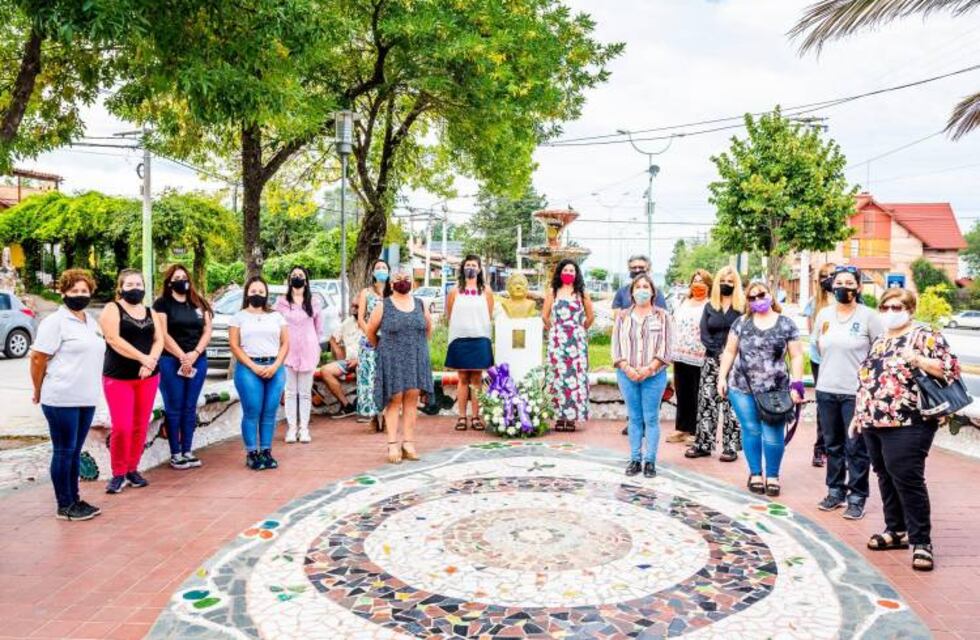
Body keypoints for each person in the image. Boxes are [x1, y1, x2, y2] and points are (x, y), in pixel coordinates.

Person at [851, 288, 959, 572]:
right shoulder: (881, 340)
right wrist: (858, 414)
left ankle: (921, 541)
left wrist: (919, 359)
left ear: (910, 308)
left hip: (910, 420)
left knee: (907, 477)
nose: (890, 312)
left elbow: (949, 369)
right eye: (885, 307)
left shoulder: (925, 335)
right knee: (884, 474)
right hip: (874, 420)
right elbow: (868, 379)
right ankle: (896, 530)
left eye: (896, 307)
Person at [29, 269, 105, 520]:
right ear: (63, 293)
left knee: (75, 450)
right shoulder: (55, 322)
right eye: (74, 291)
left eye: (84, 291)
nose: (79, 295)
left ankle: (75, 498)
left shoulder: (91, 322)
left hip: (86, 397)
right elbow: (38, 358)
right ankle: (64, 504)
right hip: (61, 397)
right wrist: (38, 389)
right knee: (64, 450)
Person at [718, 281, 804, 497]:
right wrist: (722, 377)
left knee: (773, 434)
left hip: (776, 390)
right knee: (751, 430)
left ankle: (773, 475)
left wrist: (798, 383)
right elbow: (729, 351)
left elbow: (796, 355)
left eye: (761, 295)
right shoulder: (742, 323)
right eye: (752, 297)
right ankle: (755, 473)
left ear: (770, 295)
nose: (757, 300)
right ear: (747, 301)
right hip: (742, 386)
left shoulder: (786, 324)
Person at [814, 266, 883, 520]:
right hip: (826, 389)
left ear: (858, 287)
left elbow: (879, 354)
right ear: (832, 286)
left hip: (856, 393)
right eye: (839, 281)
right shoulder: (824, 315)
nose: (843, 286)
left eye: (849, 282)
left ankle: (857, 496)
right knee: (832, 445)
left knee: (856, 446)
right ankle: (835, 490)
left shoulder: (869, 316)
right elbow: (818, 348)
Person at [100, 269, 164, 494]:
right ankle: (117, 473)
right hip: (119, 378)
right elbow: (113, 339)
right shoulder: (112, 308)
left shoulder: (150, 311)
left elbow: (159, 339)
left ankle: (132, 469)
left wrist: (151, 361)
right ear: (120, 288)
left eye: (138, 284)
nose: (135, 288)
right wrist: (142, 358)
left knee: (140, 425)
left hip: (148, 376)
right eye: (129, 285)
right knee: (122, 426)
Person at [366, 269, 433, 464]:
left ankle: (409, 443)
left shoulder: (420, 304)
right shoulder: (383, 306)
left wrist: (418, 347)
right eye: (398, 279)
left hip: (415, 357)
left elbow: (428, 329)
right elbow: (370, 331)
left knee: (412, 398)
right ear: (391, 283)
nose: (403, 282)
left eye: (407, 279)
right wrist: (383, 348)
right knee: (394, 400)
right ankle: (392, 444)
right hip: (392, 358)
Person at [612, 274, 672, 478]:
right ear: (632, 292)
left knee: (651, 418)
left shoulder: (662, 316)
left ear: (653, 292)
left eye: (646, 286)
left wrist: (649, 369)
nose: (642, 290)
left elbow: (666, 347)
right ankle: (635, 459)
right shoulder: (622, 316)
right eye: (638, 286)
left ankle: (650, 461)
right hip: (626, 374)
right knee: (635, 418)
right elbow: (616, 346)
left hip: (654, 376)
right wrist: (627, 367)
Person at [153, 265, 213, 470]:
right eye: (176, 277)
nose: (181, 280)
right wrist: (181, 356)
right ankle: (175, 453)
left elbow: (207, 331)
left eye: (184, 277)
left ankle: (187, 449)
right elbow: (163, 333)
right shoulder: (162, 304)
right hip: (170, 361)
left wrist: (195, 354)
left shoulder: (198, 303)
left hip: (198, 359)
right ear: (169, 282)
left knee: (190, 406)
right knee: (174, 406)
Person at [229, 276, 289, 470]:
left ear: (266, 294)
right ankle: (252, 453)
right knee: (252, 410)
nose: (257, 295)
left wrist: (276, 365)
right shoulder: (238, 317)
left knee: (270, 411)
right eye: (253, 291)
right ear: (247, 293)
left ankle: (266, 451)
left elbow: (285, 343)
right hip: (249, 368)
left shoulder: (277, 316)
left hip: (274, 366)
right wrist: (253, 366)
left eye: (261, 292)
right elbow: (235, 346)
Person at [686, 266, 743, 461]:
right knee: (707, 402)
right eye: (723, 281)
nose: (726, 284)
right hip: (712, 360)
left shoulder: (742, 308)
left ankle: (731, 447)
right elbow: (704, 333)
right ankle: (703, 444)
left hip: (737, 364)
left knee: (733, 405)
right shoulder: (711, 306)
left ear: (736, 284)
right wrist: (719, 353)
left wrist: (730, 355)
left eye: (730, 282)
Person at [542, 259, 594, 431]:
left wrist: (580, 329)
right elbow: (544, 316)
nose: (569, 273)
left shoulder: (582, 293)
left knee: (574, 379)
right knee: (557, 377)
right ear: (559, 272)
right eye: (566, 270)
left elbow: (590, 316)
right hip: (558, 341)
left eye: (572, 270)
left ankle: (571, 418)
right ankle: (558, 417)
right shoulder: (553, 292)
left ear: (577, 274)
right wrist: (556, 330)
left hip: (576, 342)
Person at [445, 255, 494, 431]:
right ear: (462, 268)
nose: (471, 268)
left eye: (474, 265)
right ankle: (461, 417)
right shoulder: (454, 291)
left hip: (480, 338)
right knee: (463, 378)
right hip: (460, 339)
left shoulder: (486, 291)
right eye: (468, 265)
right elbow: (449, 315)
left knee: (477, 378)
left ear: (479, 269)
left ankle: (476, 416)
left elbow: (489, 313)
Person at [275, 266, 323, 444]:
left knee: (304, 393)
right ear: (289, 280)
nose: (297, 278)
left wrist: (314, 345)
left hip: (308, 351)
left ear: (306, 280)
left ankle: (304, 428)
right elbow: (276, 326)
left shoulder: (314, 302)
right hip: (288, 351)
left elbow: (319, 328)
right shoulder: (281, 303)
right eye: (294, 275)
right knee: (289, 392)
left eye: (300, 275)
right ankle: (291, 428)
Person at [669, 269, 712, 445]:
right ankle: (682, 428)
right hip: (680, 354)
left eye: (702, 281)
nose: (698, 284)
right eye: (695, 280)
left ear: (709, 285)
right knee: (682, 392)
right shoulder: (684, 302)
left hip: (699, 355)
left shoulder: (710, 305)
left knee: (697, 393)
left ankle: (695, 431)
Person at [806, 262, 837, 467]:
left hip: (844, 361)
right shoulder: (815, 303)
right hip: (820, 360)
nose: (829, 279)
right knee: (824, 404)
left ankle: (837, 447)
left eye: (832, 275)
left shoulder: (851, 300)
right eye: (824, 276)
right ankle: (820, 448)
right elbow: (812, 334)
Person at [356, 259, 391, 432]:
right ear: (372, 272)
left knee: (386, 379)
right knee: (369, 380)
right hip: (368, 343)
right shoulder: (366, 293)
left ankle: (385, 415)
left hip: (389, 342)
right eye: (378, 267)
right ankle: (371, 417)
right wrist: (370, 334)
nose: (381, 270)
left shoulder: (393, 294)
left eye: (384, 267)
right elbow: (361, 317)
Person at [320, 301, 363, 418]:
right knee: (325, 370)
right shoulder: (347, 322)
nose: (353, 309)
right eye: (352, 306)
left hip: (367, 361)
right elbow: (333, 338)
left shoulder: (372, 322)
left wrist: (360, 360)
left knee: (363, 368)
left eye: (357, 306)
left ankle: (364, 406)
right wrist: (339, 353)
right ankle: (347, 405)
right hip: (349, 361)